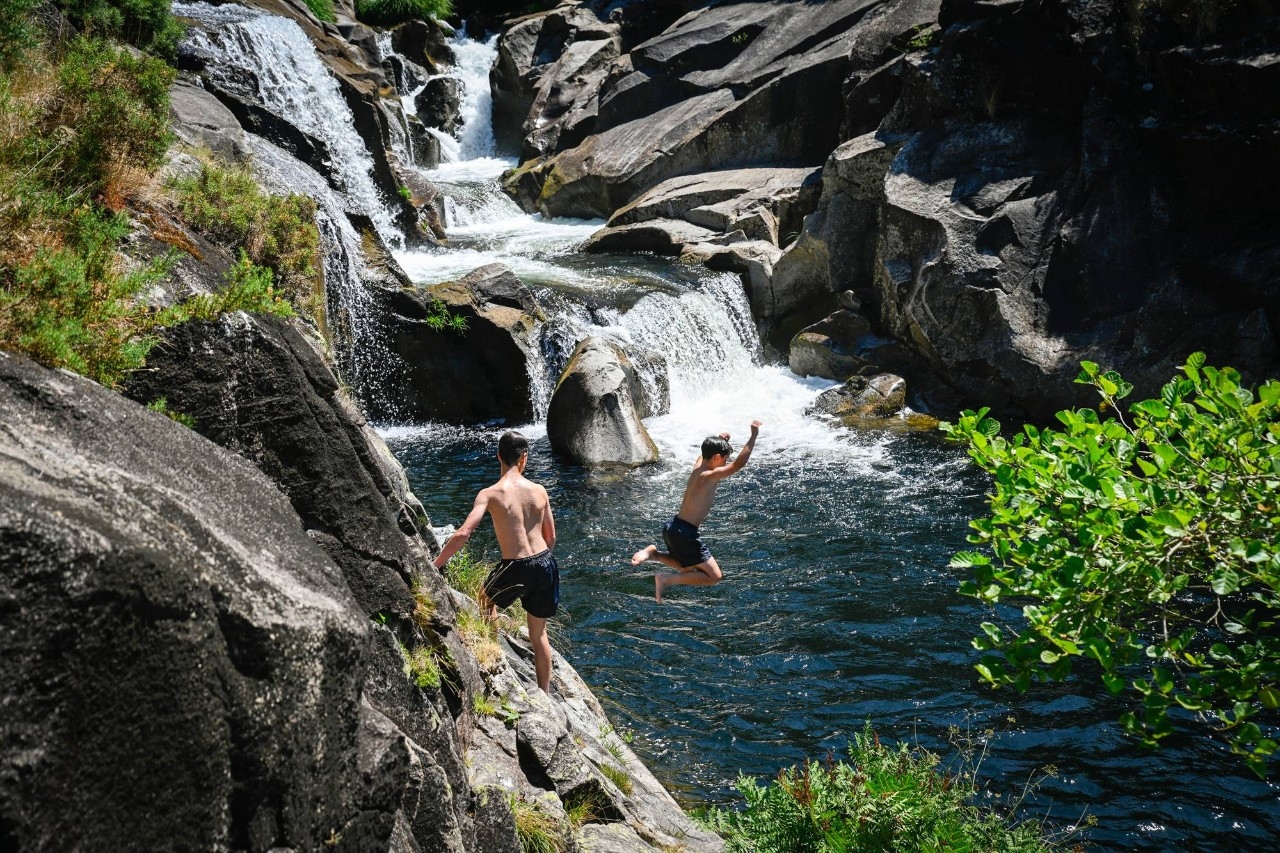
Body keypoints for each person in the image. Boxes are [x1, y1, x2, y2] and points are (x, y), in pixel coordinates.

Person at [433, 431, 559, 693]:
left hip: (516, 566)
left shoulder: (490, 494)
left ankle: (493, 651)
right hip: (546, 563)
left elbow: (463, 533)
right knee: (539, 636)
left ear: (498, 456)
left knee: (484, 599)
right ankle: (544, 694)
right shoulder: (539, 491)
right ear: (524, 458)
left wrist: (436, 564)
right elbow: (551, 537)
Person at [631, 420, 761, 602]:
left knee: (687, 568)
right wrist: (753, 436)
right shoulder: (709, 476)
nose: (726, 462)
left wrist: (719, 439)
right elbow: (737, 466)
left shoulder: (698, 468)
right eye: (724, 458)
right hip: (685, 533)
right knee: (714, 576)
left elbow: (703, 454)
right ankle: (665, 579)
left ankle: (655, 554)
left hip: (673, 527)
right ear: (716, 457)